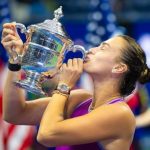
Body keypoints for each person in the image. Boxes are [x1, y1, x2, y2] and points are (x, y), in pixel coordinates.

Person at [1, 22, 149, 150]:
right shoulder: (80, 98)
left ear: (119, 68)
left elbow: (47, 135)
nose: (91, 49)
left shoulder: (120, 113)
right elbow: (14, 114)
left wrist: (64, 85)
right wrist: (16, 62)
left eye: (103, 48)